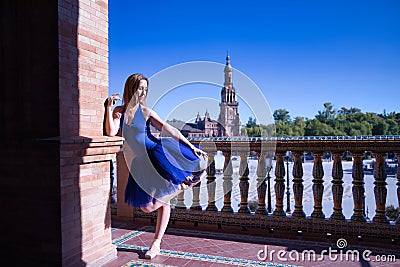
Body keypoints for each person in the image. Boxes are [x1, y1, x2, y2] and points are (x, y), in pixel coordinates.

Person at [106, 73, 207, 259]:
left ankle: (156, 243)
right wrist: (108, 108)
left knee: (157, 204)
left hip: (156, 154)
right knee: (147, 206)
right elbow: (111, 132)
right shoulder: (119, 111)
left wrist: (191, 146)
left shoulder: (146, 112)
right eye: (140, 88)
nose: (143, 92)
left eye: (145, 89)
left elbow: (171, 129)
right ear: (131, 88)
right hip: (139, 163)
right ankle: (183, 185)